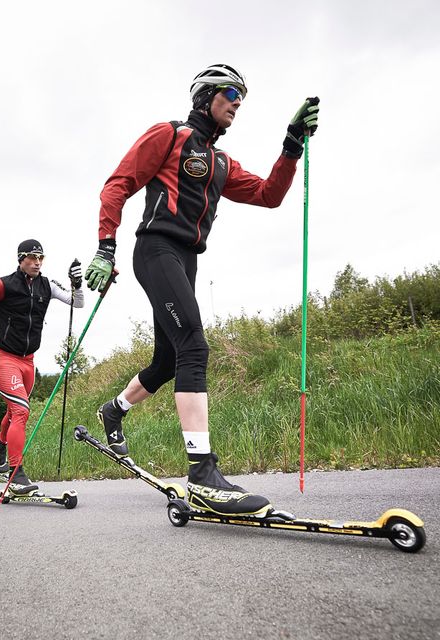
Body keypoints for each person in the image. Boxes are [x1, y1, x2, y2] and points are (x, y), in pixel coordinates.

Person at [85, 64, 319, 516]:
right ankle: (202, 472)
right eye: (231, 92)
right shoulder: (169, 135)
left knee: (169, 359)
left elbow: (270, 194)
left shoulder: (222, 163)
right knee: (194, 345)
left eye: (242, 97)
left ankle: (113, 410)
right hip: (155, 249)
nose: (237, 102)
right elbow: (118, 185)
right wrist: (105, 248)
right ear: (206, 95)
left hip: (187, 259)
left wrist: (292, 145)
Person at [0, 239, 84, 495]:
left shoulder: (47, 285)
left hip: (28, 360)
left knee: (14, 413)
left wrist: (77, 284)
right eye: (32, 258)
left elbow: (77, 303)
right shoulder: (2, 285)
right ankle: (15, 472)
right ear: (21, 259)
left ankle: (0, 446)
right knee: (21, 410)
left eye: (41, 258)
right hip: (4, 357)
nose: (37, 263)